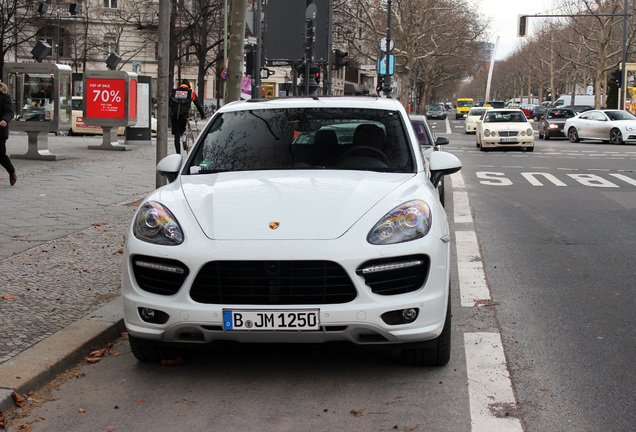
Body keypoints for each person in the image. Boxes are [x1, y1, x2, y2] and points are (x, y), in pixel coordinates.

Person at [169, 79, 206, 154]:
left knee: (176, 136)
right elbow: (198, 104)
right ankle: (184, 138)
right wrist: (203, 114)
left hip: (174, 116)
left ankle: (178, 154)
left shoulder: (174, 91)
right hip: (184, 115)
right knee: (183, 129)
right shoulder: (191, 92)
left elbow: (170, 103)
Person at [0, 81, 16, 186]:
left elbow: (9, 112)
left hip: (0, 130)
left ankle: (11, 171)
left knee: (0, 155)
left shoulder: (4, 97)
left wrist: (4, 120)